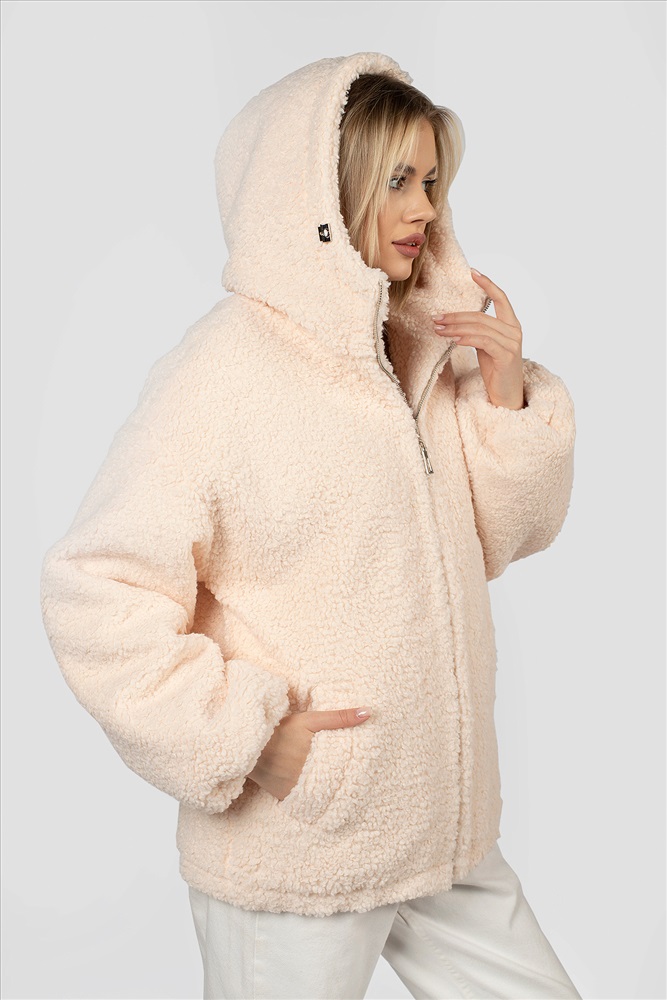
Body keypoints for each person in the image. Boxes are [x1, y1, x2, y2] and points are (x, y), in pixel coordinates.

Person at [40, 51, 582, 1000]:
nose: (423, 209)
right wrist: (248, 738)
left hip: (437, 831)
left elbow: (504, 537)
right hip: (302, 848)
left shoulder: (419, 350)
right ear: (326, 194)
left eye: (431, 182)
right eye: (396, 180)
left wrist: (503, 396)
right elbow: (94, 590)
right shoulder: (225, 371)